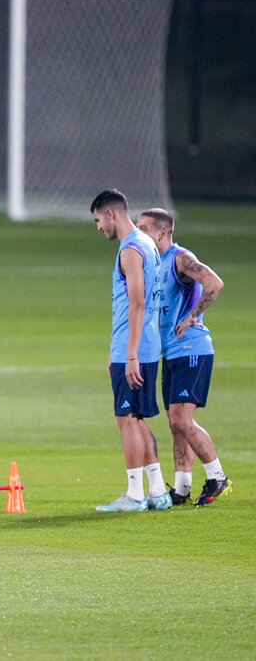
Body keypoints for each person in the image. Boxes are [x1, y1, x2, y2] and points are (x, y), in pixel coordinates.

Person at [136, 208, 231, 506]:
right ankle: (181, 488)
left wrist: (192, 317)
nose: (139, 233)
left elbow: (214, 282)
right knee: (175, 423)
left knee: (181, 419)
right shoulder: (152, 263)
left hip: (192, 349)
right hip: (170, 353)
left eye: (144, 228)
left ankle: (217, 476)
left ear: (162, 233)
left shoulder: (180, 258)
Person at [90, 189, 172, 512]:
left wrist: (130, 353)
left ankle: (135, 495)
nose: (98, 228)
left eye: (98, 220)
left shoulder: (130, 249)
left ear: (111, 214)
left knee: (126, 418)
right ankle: (156, 490)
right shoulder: (148, 244)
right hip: (144, 344)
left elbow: (137, 303)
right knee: (136, 418)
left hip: (136, 348)